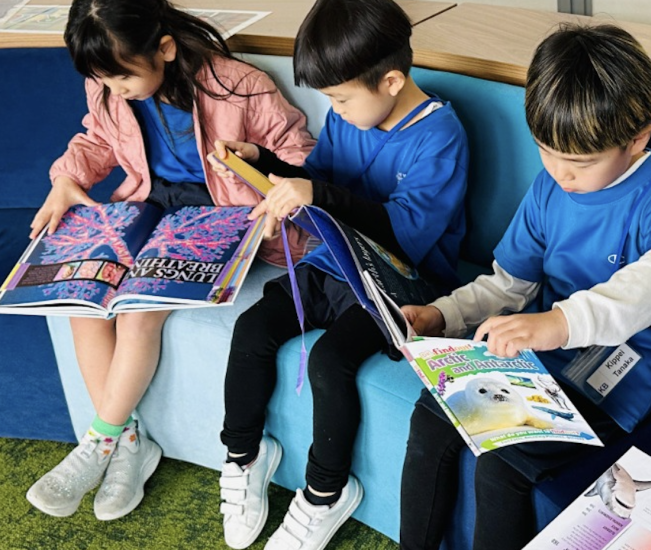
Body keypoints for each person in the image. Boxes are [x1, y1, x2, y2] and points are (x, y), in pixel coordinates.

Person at [398, 23, 651, 550]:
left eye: (580, 163)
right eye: (545, 151)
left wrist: (558, 323)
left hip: (618, 373)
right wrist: (442, 315)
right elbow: (509, 284)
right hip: (539, 354)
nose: (560, 173)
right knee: (432, 414)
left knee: (503, 462)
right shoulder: (548, 188)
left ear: (638, 139)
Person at [24, 0, 313, 522]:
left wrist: (270, 182)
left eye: (122, 79)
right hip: (148, 205)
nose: (114, 91)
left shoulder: (240, 84)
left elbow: (299, 154)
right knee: (81, 297)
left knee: (138, 309)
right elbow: (97, 137)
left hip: (221, 215)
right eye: (104, 82)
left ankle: (99, 442)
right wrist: (67, 179)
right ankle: (129, 444)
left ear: (164, 48)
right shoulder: (109, 84)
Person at [211, 0, 469, 548]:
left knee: (331, 359)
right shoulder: (349, 116)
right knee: (252, 329)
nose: (336, 109)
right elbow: (320, 179)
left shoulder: (440, 135)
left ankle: (326, 492)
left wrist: (315, 192)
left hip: (399, 283)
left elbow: (407, 238)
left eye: (341, 98)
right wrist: (262, 162)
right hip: (332, 261)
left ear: (393, 80)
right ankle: (243, 454)